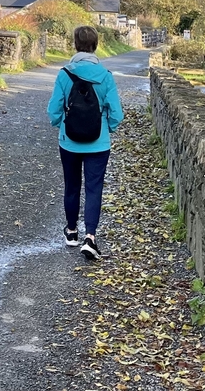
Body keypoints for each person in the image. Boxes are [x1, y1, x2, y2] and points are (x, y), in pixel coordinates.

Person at [47, 25, 123, 260]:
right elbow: (117, 114)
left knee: (72, 186)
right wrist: (105, 129)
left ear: (75, 45)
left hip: (69, 142)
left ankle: (71, 233)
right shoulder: (106, 76)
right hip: (98, 144)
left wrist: (62, 125)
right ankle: (90, 237)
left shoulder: (64, 74)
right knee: (94, 188)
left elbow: (53, 111)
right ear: (96, 45)